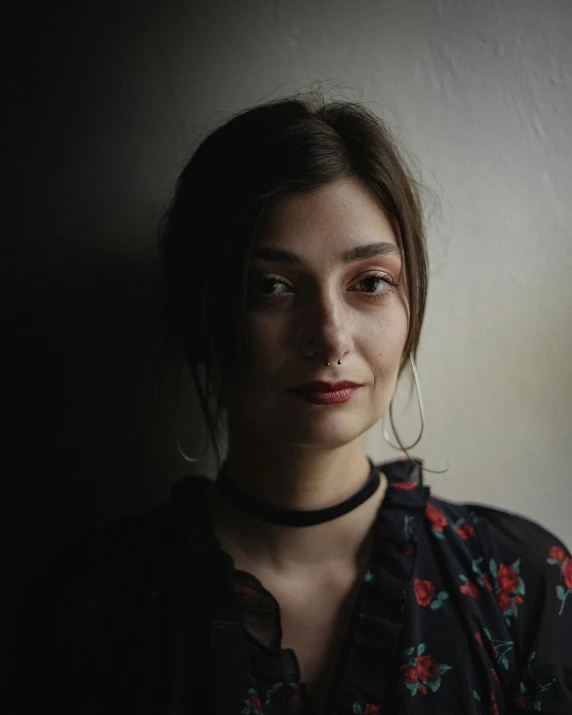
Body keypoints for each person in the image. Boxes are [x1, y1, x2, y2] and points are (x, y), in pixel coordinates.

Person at [11, 91, 572, 714]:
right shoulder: (94, 610)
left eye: (370, 283)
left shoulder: (524, 586)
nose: (330, 335)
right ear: (201, 318)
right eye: (271, 287)